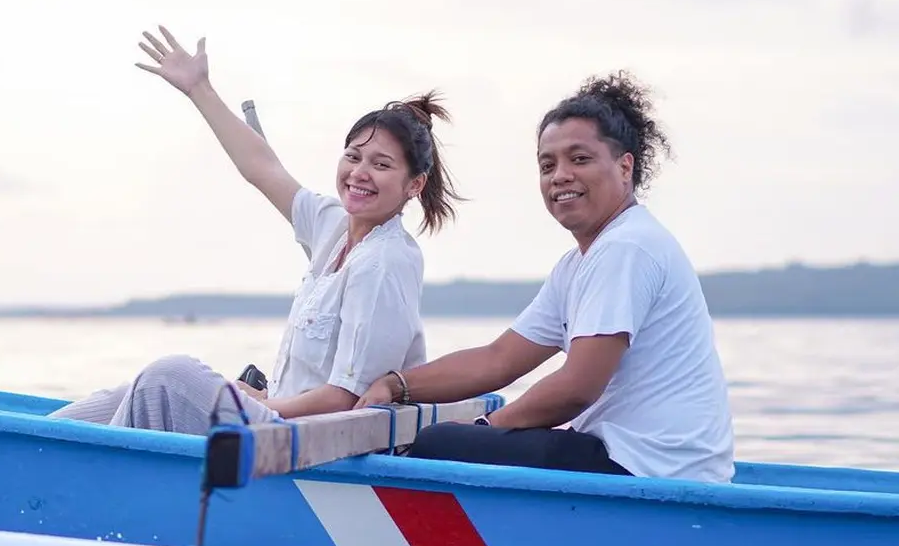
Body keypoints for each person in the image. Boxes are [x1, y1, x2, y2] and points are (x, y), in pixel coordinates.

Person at [50, 25, 464, 434]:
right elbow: (262, 168)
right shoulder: (333, 225)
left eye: (381, 164)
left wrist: (259, 403)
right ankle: (33, 446)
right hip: (283, 417)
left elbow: (345, 398)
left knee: (169, 377)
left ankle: (89, 477)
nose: (360, 173)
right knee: (130, 392)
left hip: (312, 439)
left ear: (414, 185)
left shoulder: (385, 262)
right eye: (353, 156)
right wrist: (199, 89)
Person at [356, 71, 735, 483]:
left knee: (438, 445)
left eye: (580, 159)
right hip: (631, 460)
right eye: (547, 164)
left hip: (655, 471)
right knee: (457, 439)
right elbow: (498, 360)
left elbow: (577, 388)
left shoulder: (627, 247)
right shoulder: (579, 264)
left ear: (625, 166)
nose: (560, 176)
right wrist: (396, 386)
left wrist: (486, 429)